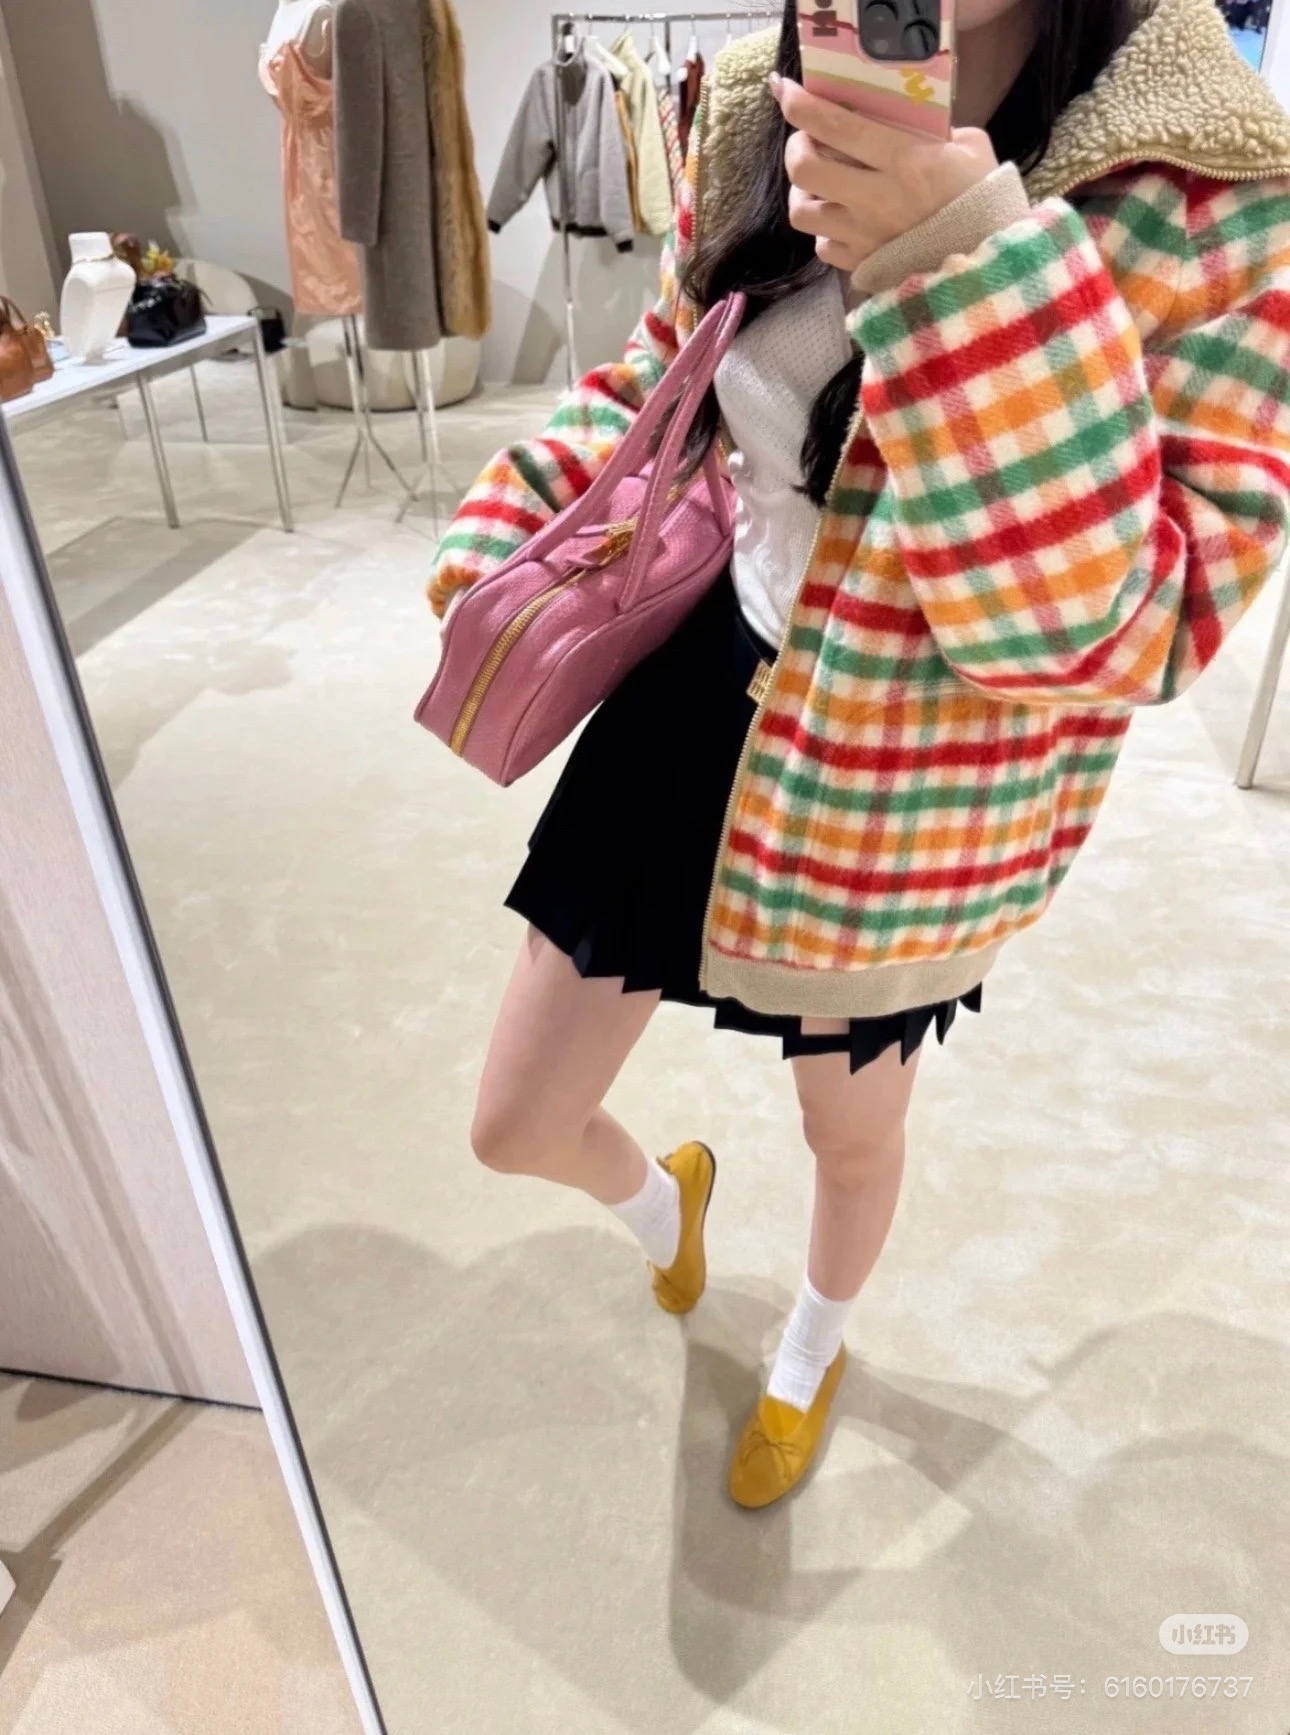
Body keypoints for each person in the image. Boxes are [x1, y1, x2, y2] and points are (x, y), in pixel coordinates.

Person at [428, 0, 1290, 1509]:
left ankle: (809, 1349)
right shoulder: (757, 98)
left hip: (917, 773)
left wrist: (964, 260)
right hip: (696, 690)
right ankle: (665, 1208)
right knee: (517, 1121)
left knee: (850, 1129)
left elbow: (1136, 633)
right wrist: (519, 522)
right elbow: (665, 369)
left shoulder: (1218, 184)